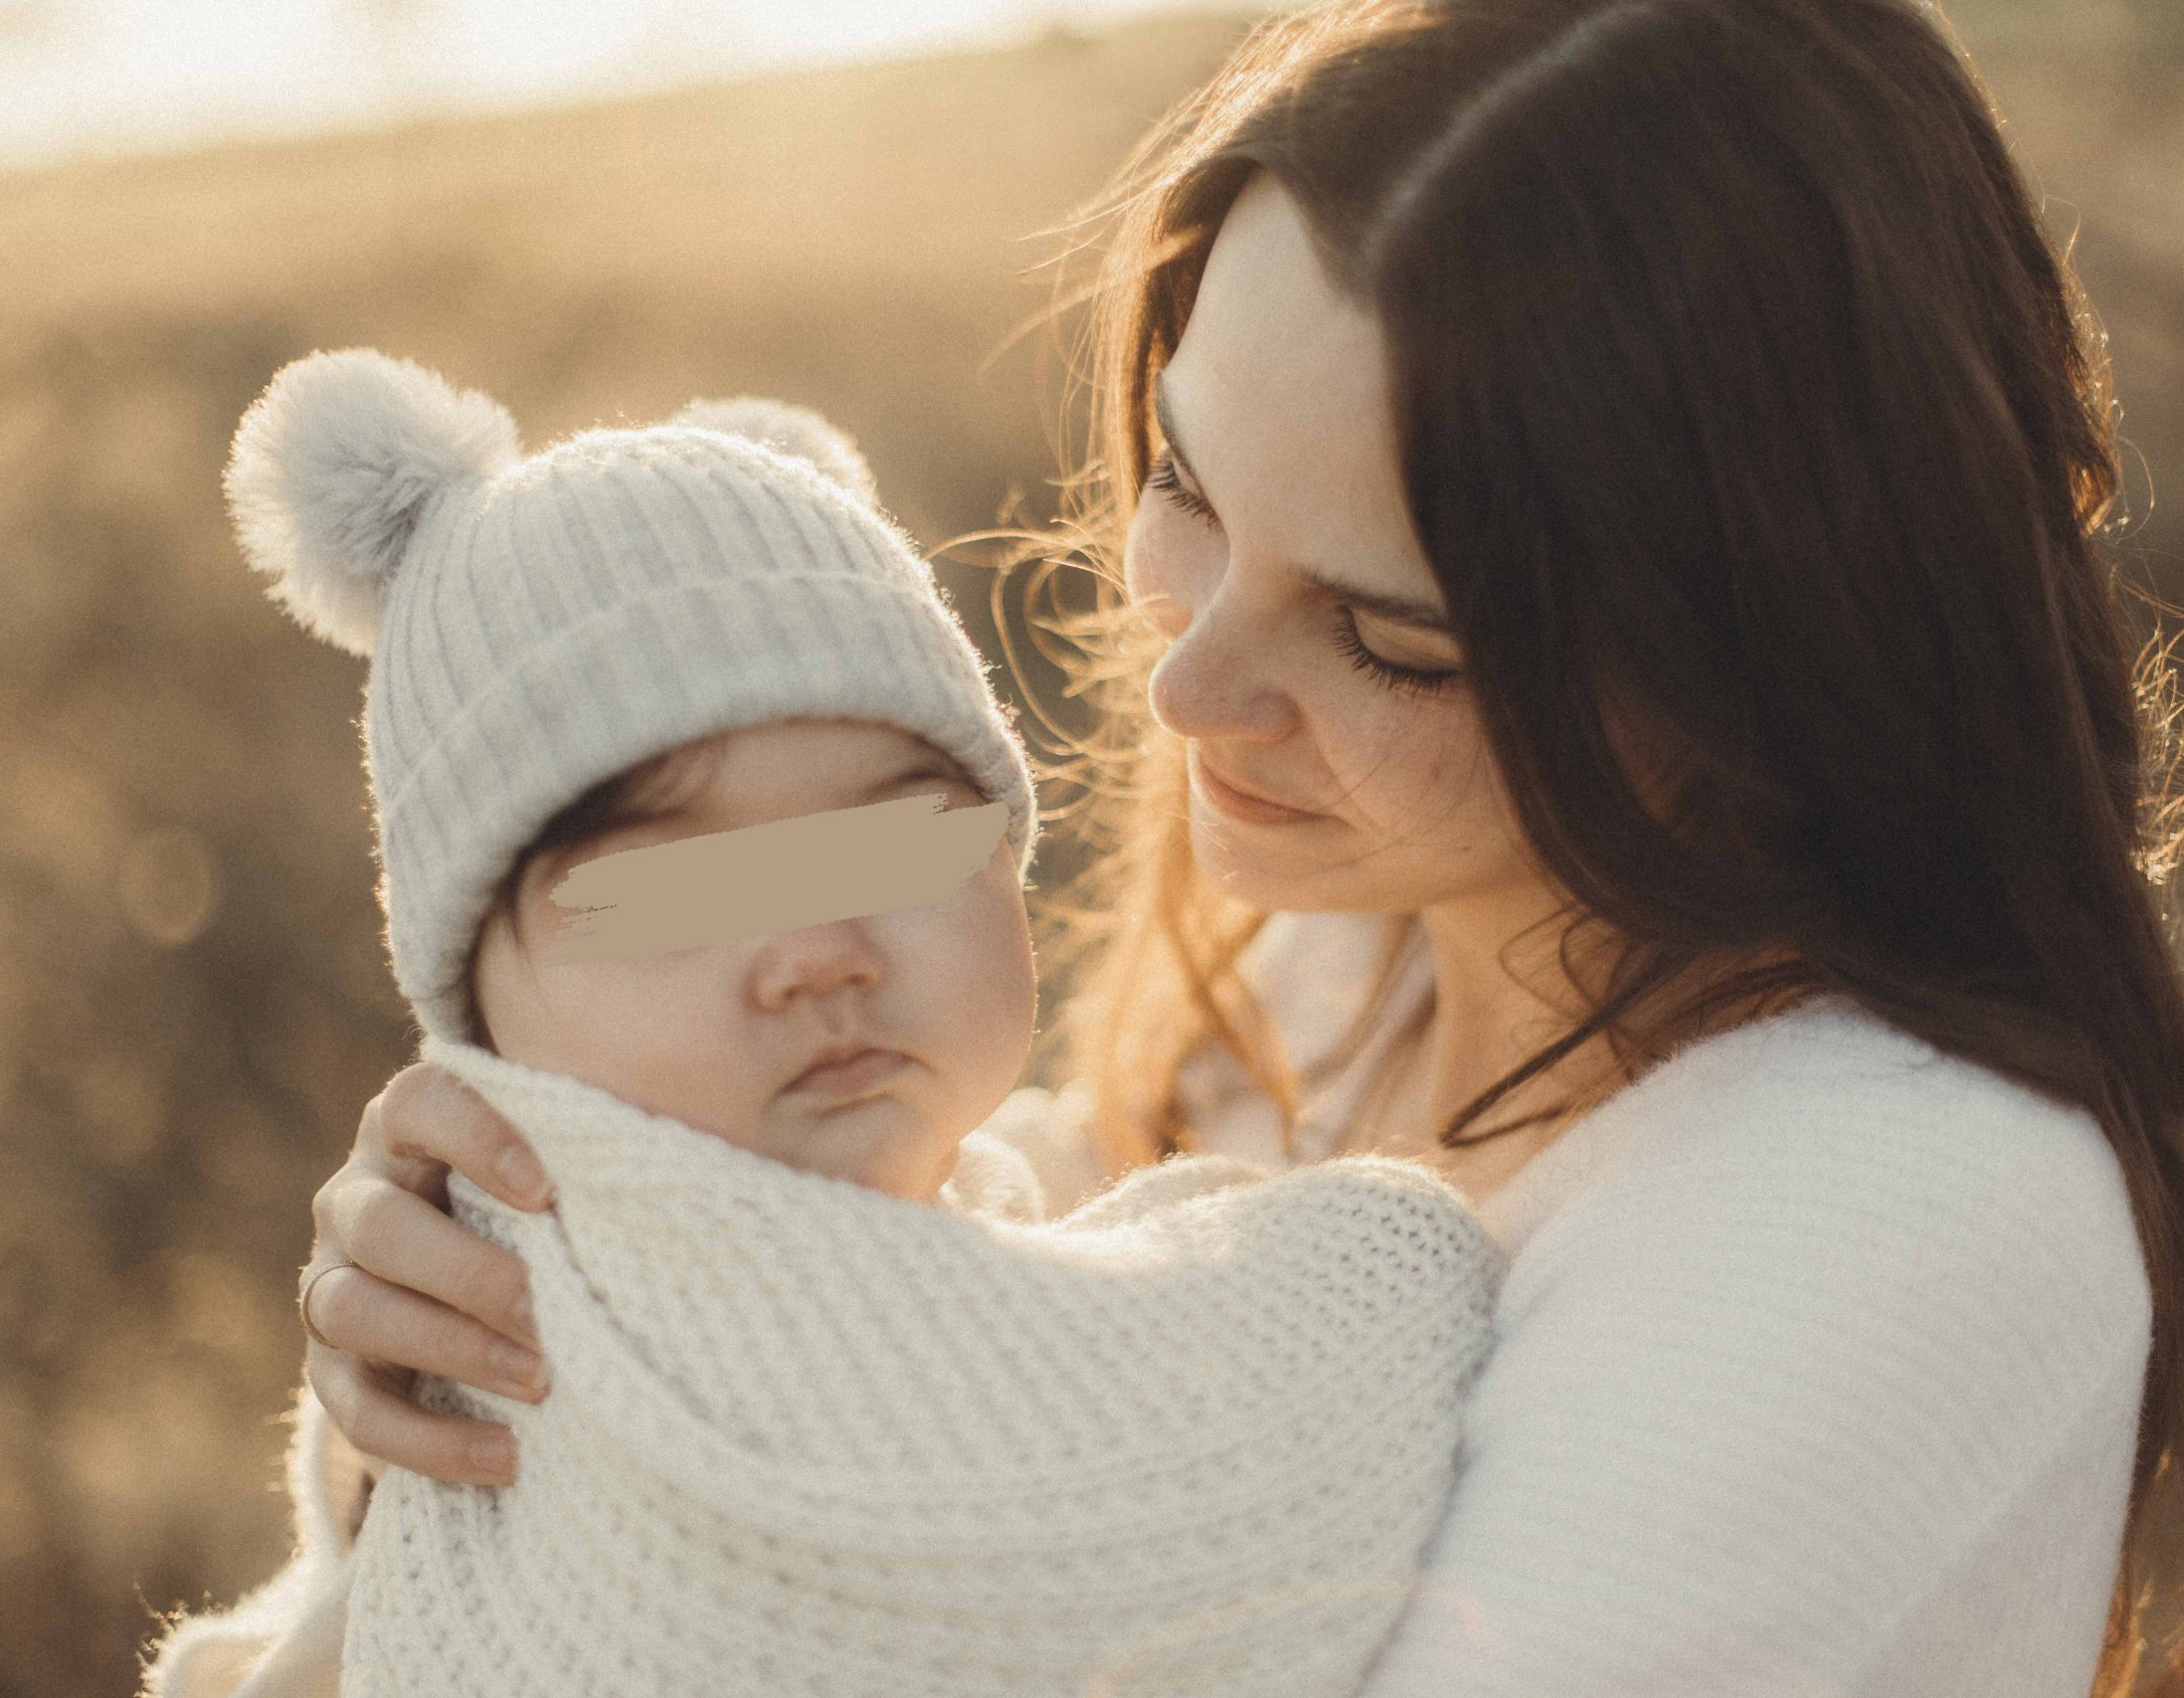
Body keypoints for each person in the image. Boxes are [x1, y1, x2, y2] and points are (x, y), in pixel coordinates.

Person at [274, 0, 2184, 1694]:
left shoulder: (1884, 1213)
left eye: (1387, 635)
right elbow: (922, 1365)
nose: (1183, 692)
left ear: (1754, 655)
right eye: (1183, 479)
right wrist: (516, 1343)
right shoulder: (1345, 952)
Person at [134, 350, 1509, 1697]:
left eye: (895, 843)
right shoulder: (556, 1332)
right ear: (474, 1029)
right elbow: (1336, 1344)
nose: (815, 951)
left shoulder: (980, 1213)